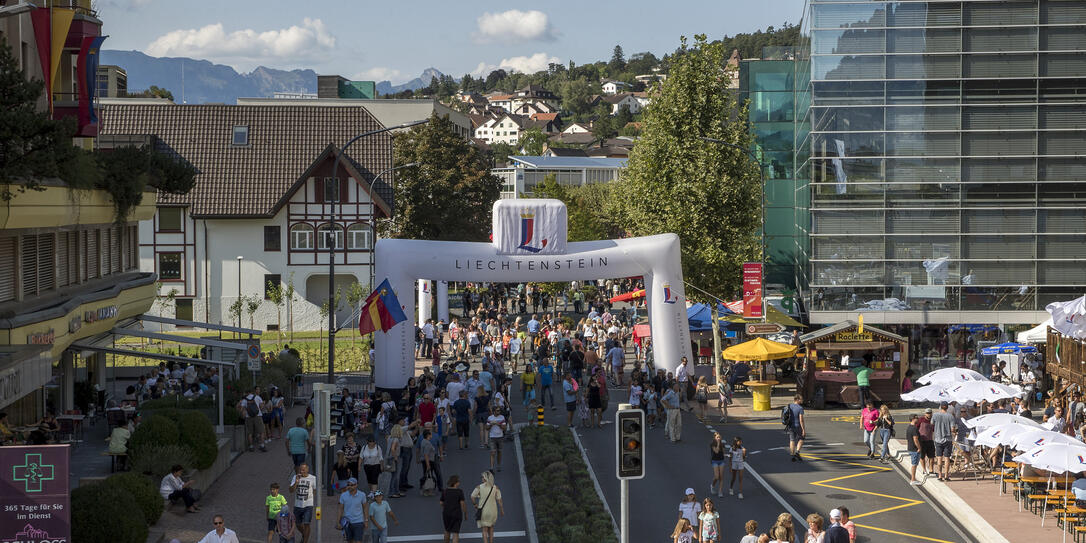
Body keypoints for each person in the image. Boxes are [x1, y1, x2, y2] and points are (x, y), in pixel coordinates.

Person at [471, 471, 504, 543]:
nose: (482, 478)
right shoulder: (495, 487)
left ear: (485, 478)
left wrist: (475, 505)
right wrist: (502, 510)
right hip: (493, 511)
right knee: (491, 528)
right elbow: (499, 500)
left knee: (484, 530)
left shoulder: (479, 487)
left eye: (482, 477)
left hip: (483, 511)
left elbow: (472, 496)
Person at [289, 463, 317, 543]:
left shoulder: (313, 478)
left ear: (307, 469)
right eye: (301, 469)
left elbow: (314, 490)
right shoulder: (295, 477)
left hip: (308, 505)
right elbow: (290, 490)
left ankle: (305, 541)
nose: (302, 471)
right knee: (297, 524)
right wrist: (296, 482)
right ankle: (305, 535)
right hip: (297, 505)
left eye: (304, 469)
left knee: (306, 523)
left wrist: (310, 499)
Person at [337, 478, 368, 543]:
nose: (350, 487)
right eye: (348, 485)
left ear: (356, 485)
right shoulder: (343, 495)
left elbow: (365, 507)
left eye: (352, 485)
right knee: (350, 541)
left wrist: (366, 520)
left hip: (359, 522)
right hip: (347, 522)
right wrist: (338, 522)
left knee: (358, 541)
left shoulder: (362, 495)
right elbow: (340, 509)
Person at [932, 402, 955, 481]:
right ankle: (946, 475)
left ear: (940, 407)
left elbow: (932, 423)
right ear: (947, 407)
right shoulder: (950, 416)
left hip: (938, 438)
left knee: (939, 458)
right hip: (947, 439)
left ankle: (939, 475)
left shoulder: (935, 415)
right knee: (947, 458)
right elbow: (952, 429)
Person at [239, 387, 267, 452]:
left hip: (248, 417)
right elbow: (261, 407)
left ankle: (251, 446)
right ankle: (262, 445)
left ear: (246, 393)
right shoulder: (257, 397)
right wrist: (263, 404)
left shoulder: (244, 400)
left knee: (250, 433)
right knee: (261, 431)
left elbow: (241, 410)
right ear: (251, 392)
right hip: (258, 416)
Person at [440, 475, 467, 543]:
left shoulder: (445, 491)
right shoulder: (459, 491)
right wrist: (465, 513)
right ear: (455, 483)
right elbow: (462, 504)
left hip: (446, 514)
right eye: (458, 481)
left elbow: (441, 502)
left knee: (447, 530)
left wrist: (445, 507)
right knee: (455, 533)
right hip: (456, 514)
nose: (459, 483)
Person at [486, 405, 507, 472]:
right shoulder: (490, 418)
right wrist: (491, 424)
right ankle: (491, 467)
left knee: (499, 452)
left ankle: (498, 465)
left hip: (500, 437)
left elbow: (504, 428)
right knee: (493, 452)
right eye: (498, 410)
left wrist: (498, 424)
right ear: (494, 411)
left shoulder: (502, 417)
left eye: (499, 410)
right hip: (492, 437)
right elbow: (486, 428)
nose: (499, 412)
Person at [918, 408, 936, 478]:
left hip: (930, 440)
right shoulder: (921, 420)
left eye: (930, 413)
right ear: (925, 413)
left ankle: (931, 469)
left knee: (932, 456)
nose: (929, 414)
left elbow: (934, 429)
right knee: (922, 456)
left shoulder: (933, 421)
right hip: (922, 441)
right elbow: (916, 428)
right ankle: (924, 469)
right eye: (928, 413)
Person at [787, 395, 806, 461]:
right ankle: (797, 452)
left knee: (792, 440)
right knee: (801, 438)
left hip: (790, 426)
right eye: (801, 399)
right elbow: (801, 420)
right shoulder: (800, 408)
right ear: (797, 399)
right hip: (798, 426)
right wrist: (803, 429)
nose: (802, 400)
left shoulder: (789, 406)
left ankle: (792, 454)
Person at [905, 414, 922, 485]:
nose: (918, 419)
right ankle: (913, 479)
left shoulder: (909, 427)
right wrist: (919, 448)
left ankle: (913, 478)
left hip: (910, 448)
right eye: (917, 418)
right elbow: (915, 439)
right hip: (915, 449)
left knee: (914, 464)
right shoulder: (914, 428)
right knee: (914, 464)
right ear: (913, 419)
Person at [710, 432, 728, 497]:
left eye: (719, 437)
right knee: (717, 476)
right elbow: (716, 451)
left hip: (721, 461)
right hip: (715, 461)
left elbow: (722, 452)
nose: (719, 438)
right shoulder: (712, 444)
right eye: (717, 437)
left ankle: (720, 491)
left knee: (721, 477)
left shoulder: (722, 444)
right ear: (714, 438)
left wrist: (726, 455)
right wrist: (718, 444)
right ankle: (712, 485)